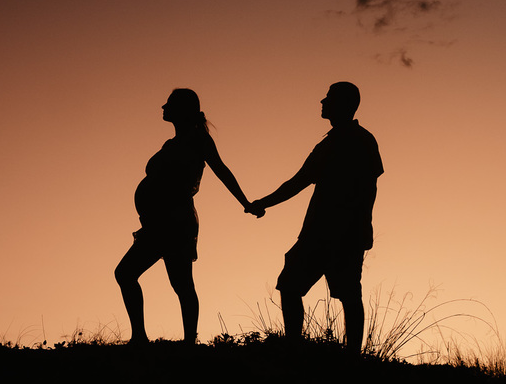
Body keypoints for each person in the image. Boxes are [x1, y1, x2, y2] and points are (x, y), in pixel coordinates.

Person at [115, 88, 259, 344]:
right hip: (158, 221)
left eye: (169, 103)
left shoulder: (198, 139)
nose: (163, 107)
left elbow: (222, 170)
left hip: (175, 221)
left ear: (182, 109)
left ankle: (186, 342)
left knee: (178, 283)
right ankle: (141, 337)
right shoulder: (172, 143)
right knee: (133, 275)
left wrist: (245, 202)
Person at [247, 82, 382, 352]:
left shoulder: (350, 141)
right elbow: (301, 181)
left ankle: (315, 352)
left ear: (342, 104)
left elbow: (299, 182)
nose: (322, 101)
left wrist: (263, 203)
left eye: (328, 98)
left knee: (334, 292)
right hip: (330, 232)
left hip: (331, 233)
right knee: (308, 287)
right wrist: (264, 203)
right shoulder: (345, 141)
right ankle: (331, 353)